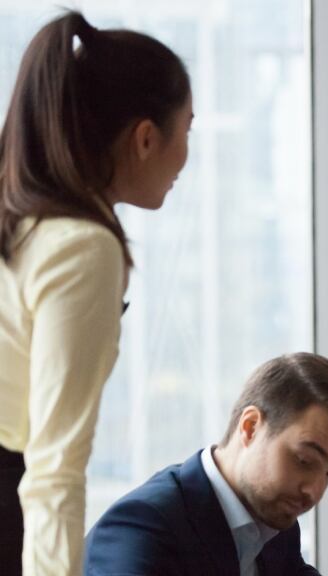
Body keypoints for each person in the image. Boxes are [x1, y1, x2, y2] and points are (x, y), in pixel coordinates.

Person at [0, 10, 192, 576]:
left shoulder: (21, 220)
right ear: (145, 138)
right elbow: (54, 464)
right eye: (187, 130)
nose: (186, 156)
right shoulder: (82, 248)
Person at [84, 352, 328, 575]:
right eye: (304, 460)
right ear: (250, 427)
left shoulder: (275, 527)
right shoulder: (141, 528)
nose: (314, 491)